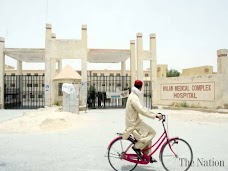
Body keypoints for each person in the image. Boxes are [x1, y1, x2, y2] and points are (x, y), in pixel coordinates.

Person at [122, 80, 162, 162]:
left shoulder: (132, 95)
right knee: (152, 132)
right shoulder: (134, 98)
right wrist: (155, 115)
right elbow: (142, 110)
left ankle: (147, 156)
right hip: (134, 124)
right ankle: (136, 147)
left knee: (148, 137)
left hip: (135, 121)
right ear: (140, 88)